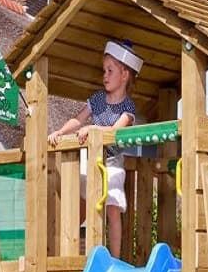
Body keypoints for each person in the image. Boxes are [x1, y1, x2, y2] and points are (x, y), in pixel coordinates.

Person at [47, 40, 143, 259]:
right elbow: (78, 119)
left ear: (125, 75)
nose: (105, 76)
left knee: (112, 206)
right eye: (104, 71)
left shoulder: (128, 107)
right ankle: (66, 251)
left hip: (111, 163)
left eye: (110, 71)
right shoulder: (98, 99)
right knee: (79, 204)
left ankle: (116, 258)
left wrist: (93, 128)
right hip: (90, 161)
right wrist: (60, 132)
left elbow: (114, 131)